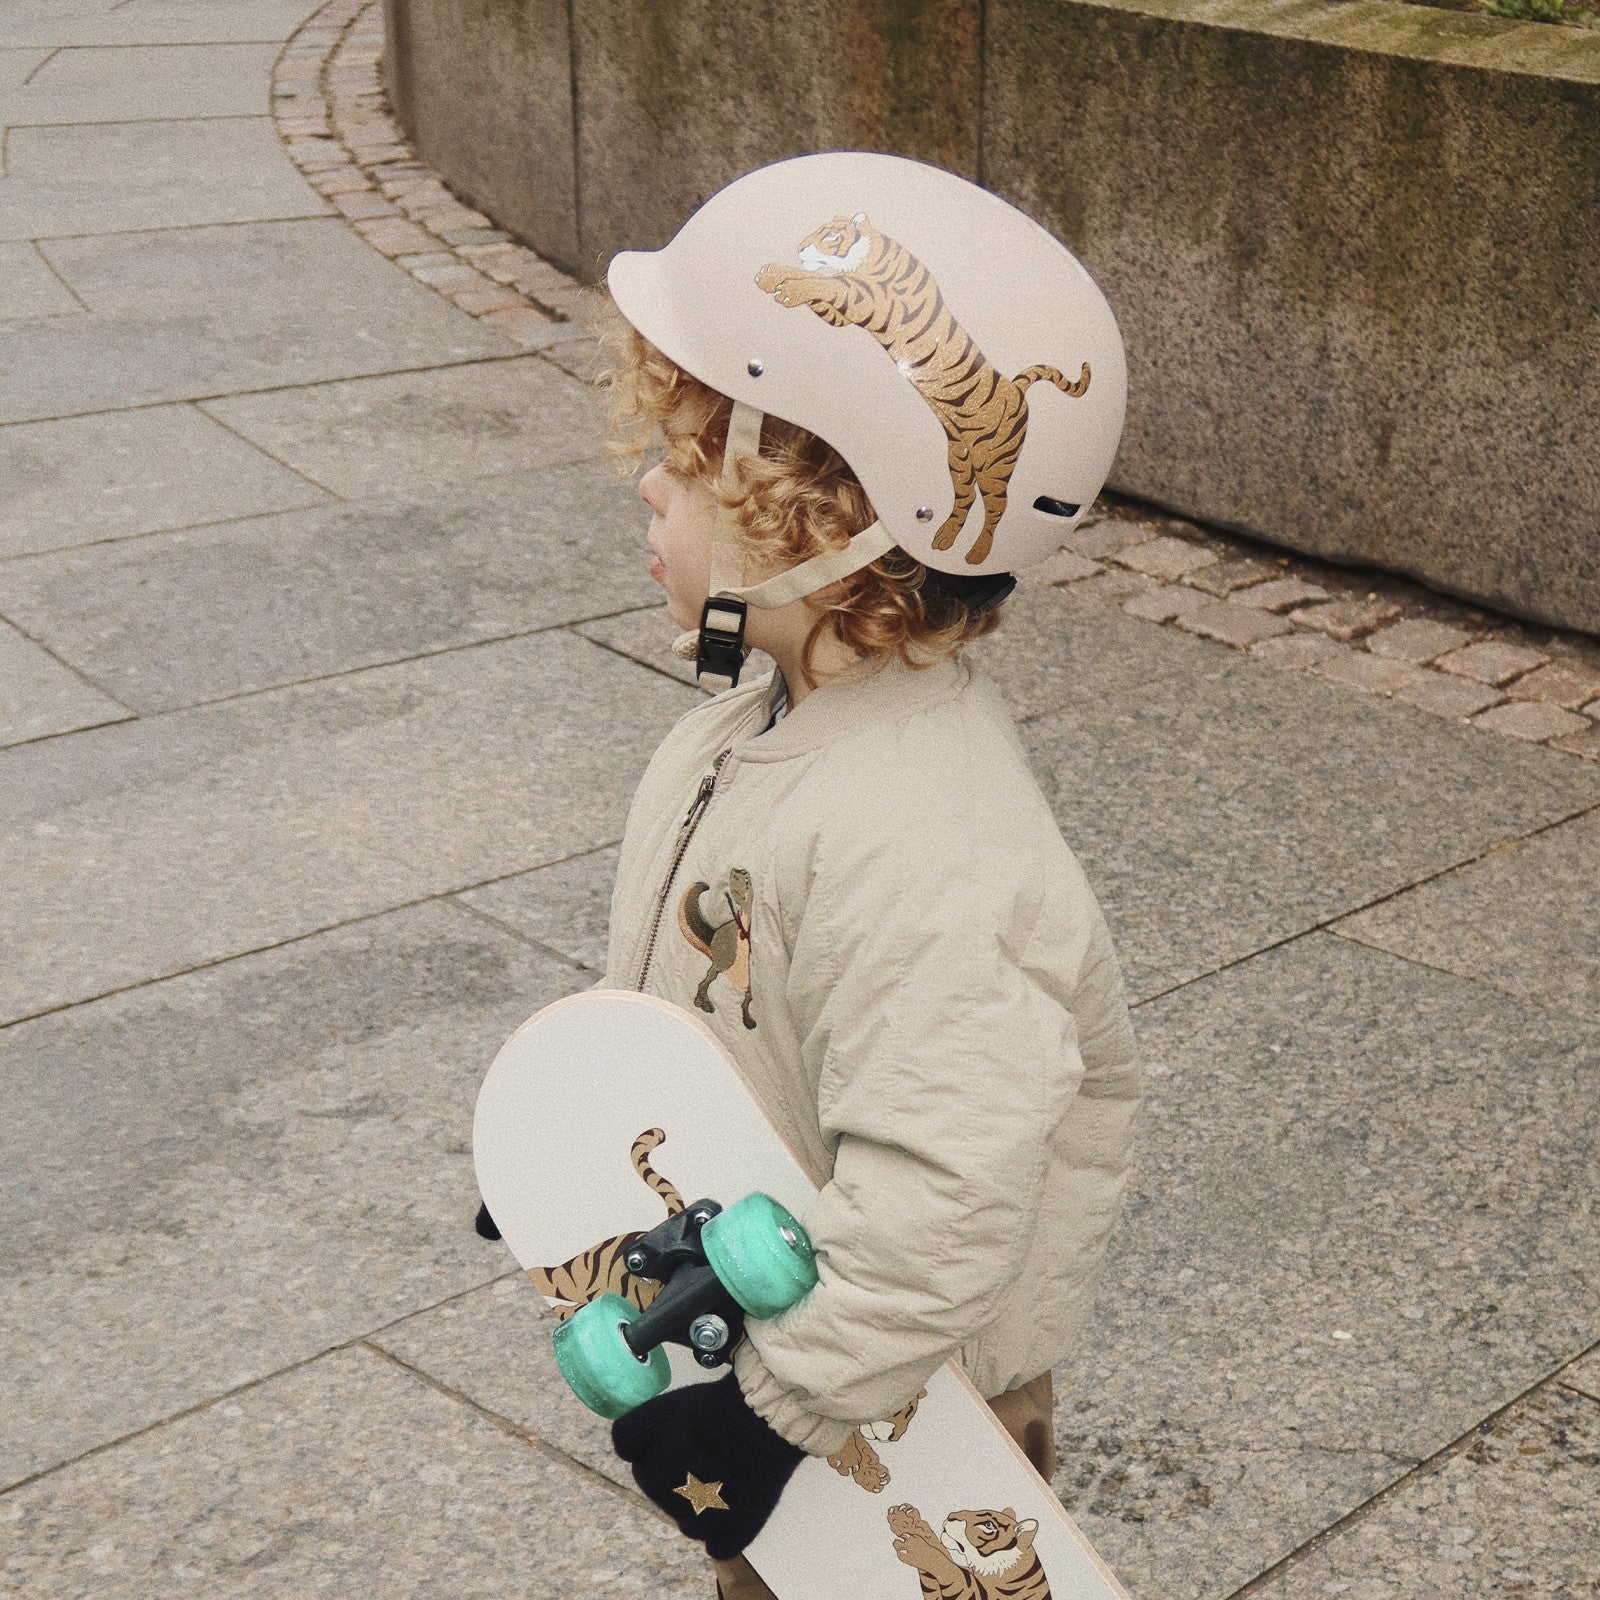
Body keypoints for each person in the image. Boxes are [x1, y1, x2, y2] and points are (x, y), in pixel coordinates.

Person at [596, 152, 1142, 1598]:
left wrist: (767, 1412)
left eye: (690, 462)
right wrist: (591, 1142)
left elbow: (943, 1192)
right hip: (816, 1344)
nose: (648, 485)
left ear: (827, 527)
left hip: (901, 1409)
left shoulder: (928, 842)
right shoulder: (758, 728)